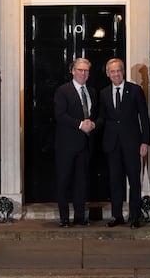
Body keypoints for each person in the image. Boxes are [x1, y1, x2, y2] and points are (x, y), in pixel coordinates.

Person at [98, 58, 150, 229]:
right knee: (115, 181)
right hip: (112, 145)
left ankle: (135, 216)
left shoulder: (135, 91)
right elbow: (102, 118)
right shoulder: (104, 93)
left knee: (134, 180)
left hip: (132, 143)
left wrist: (145, 141)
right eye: (112, 71)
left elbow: (144, 117)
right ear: (107, 74)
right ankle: (117, 215)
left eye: (118, 70)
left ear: (123, 72)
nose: (116, 74)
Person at [53, 58, 98, 227]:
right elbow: (60, 115)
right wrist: (80, 125)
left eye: (86, 71)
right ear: (73, 71)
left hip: (85, 145)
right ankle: (64, 218)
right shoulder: (63, 91)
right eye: (80, 70)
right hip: (66, 145)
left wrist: (92, 124)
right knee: (64, 181)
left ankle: (80, 217)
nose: (83, 73)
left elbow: (95, 115)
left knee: (82, 182)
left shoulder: (92, 91)